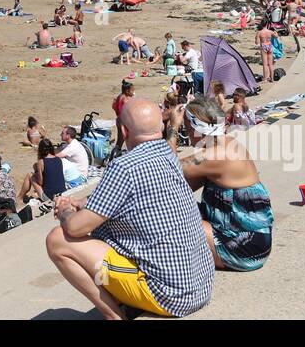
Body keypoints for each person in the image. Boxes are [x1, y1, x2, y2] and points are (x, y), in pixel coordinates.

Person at [45, 99, 213, 319]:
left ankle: (113, 315)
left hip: (171, 296)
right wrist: (83, 202)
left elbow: (76, 228)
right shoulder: (168, 154)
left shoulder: (124, 166)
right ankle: (124, 299)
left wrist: (65, 210)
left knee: (58, 239)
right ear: (160, 128)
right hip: (200, 285)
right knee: (106, 230)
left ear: (123, 131)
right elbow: (131, 196)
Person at [168, 97, 272, 271]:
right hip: (255, 240)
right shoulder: (228, 142)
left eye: (186, 127)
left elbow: (165, 169)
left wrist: (172, 128)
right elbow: (179, 186)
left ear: (196, 129)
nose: (184, 130)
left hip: (243, 250)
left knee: (168, 220)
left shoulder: (213, 156)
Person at [111, 79, 135, 154]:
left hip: (120, 120)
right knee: (121, 140)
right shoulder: (125, 99)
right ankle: (114, 155)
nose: (133, 92)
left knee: (120, 140)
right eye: (132, 91)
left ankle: (115, 154)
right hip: (123, 122)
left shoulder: (120, 96)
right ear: (127, 91)